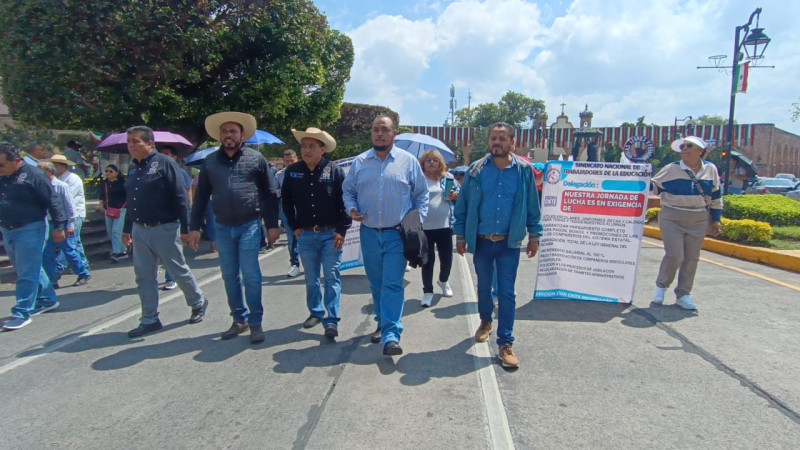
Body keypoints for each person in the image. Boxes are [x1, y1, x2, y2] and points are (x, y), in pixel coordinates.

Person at [454, 122, 542, 369]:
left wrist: (534, 235)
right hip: (482, 242)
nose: (497, 142)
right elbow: (463, 205)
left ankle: (505, 343)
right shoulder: (476, 170)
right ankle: (485, 321)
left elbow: (533, 206)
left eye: (502, 139)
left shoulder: (524, 171)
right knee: (483, 288)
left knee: (506, 293)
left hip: (508, 244)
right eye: (493, 138)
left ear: (512, 143)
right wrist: (460, 236)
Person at [189, 112, 280, 345]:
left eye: (233, 131)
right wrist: (195, 227)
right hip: (222, 227)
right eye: (224, 131)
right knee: (229, 276)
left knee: (251, 275)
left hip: (249, 224)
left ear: (242, 135)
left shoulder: (255, 159)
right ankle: (239, 320)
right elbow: (200, 197)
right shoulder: (209, 163)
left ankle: (255, 322)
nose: (228, 135)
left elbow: (270, 195)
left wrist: (272, 226)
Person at [342, 115, 429, 356]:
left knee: (392, 284)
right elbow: (348, 191)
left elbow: (421, 195)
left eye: (384, 130)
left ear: (394, 134)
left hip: (396, 236)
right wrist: (351, 208)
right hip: (369, 233)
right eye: (375, 130)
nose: (379, 134)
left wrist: (416, 220)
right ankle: (382, 322)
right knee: (377, 283)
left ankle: (391, 335)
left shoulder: (408, 162)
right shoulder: (360, 163)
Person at [122, 126, 209, 338]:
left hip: (164, 228)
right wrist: (126, 229)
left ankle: (198, 301)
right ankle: (150, 319)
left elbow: (181, 198)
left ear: (150, 144)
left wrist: (187, 229)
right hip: (140, 228)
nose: (132, 145)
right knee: (144, 277)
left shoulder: (165, 164)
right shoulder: (133, 168)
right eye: (130, 141)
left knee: (177, 269)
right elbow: (132, 200)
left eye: (136, 141)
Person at [282, 127, 351, 339]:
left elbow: (346, 202)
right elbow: (286, 202)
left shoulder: (335, 171)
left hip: (331, 235)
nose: (306, 150)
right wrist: (294, 227)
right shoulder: (292, 172)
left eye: (312, 146)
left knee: (331, 277)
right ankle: (315, 312)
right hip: (306, 236)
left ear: (323, 149)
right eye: (303, 146)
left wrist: (342, 229)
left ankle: (332, 320)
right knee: (311, 278)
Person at [651, 136, 723, 311]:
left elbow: (716, 196)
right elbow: (652, 186)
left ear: (700, 151)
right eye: (682, 146)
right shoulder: (671, 169)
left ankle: (683, 294)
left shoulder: (711, 170)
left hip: (698, 219)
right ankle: (661, 286)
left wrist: (716, 220)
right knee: (675, 255)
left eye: (689, 146)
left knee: (691, 258)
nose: (684, 149)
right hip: (672, 216)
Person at [0, 142, 66, 330]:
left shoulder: (34, 175)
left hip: (31, 228)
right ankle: (47, 299)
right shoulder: (3, 177)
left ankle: (21, 312)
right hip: (8, 229)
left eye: (1, 165)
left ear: (16, 160)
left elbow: (53, 201)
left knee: (25, 272)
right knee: (28, 267)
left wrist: (59, 226)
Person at [38, 161, 91, 287]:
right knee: (47, 253)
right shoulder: (41, 186)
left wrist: (71, 224)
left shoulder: (62, 186)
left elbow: (70, 206)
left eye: (41, 170)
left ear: (50, 171)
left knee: (68, 250)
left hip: (63, 221)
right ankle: (52, 279)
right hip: (49, 222)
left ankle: (83, 273)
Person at [418, 150, 458, 307]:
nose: (432, 163)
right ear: (423, 163)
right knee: (427, 261)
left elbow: (459, 195)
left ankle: (443, 281)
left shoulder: (447, 178)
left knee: (447, 259)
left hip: (445, 226)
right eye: (428, 160)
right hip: (424, 227)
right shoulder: (418, 179)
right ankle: (427, 291)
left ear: (440, 162)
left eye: (435, 160)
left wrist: (455, 196)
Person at [159, 144, 193, 290]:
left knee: (172, 251)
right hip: (159, 218)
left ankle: (171, 278)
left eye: (167, 154)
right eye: (162, 154)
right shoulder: (155, 172)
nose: (164, 157)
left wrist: (188, 213)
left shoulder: (181, 173)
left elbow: (187, 194)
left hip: (175, 218)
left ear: (174, 157)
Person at [276, 149, 301, 277]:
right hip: (288, 212)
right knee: (292, 240)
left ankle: (312, 264)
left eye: (292, 160)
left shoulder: (304, 172)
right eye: (287, 161)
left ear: (296, 159)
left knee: (308, 239)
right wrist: (284, 191)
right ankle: (295, 264)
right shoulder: (279, 175)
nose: (290, 163)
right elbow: (274, 192)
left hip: (304, 211)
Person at [99, 164, 128, 262]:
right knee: (110, 231)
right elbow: (101, 195)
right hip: (109, 209)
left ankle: (116, 253)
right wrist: (101, 205)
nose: (108, 173)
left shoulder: (122, 183)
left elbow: (128, 196)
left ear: (117, 173)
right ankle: (122, 250)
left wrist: (123, 207)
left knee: (116, 231)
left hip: (121, 209)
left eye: (111, 171)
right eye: (106, 171)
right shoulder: (104, 183)